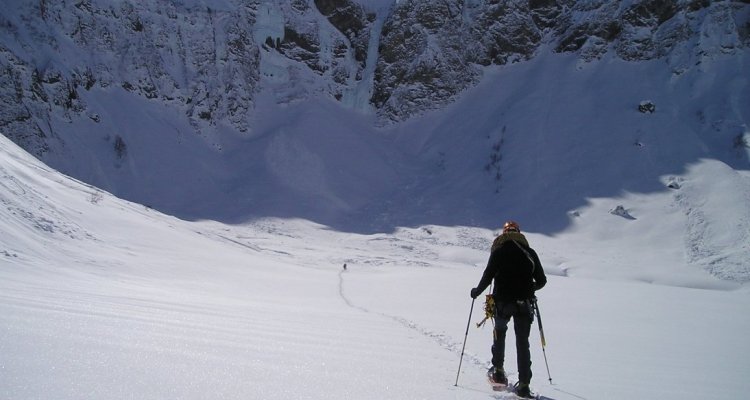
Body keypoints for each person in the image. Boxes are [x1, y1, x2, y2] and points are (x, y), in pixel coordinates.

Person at [470, 221, 547, 399]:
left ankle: (498, 371)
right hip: (524, 304)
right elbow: (542, 280)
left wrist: (476, 292)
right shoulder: (529, 253)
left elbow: (488, 275)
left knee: (500, 333)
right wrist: (529, 288)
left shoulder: (498, 251)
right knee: (522, 342)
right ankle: (525, 385)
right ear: (519, 233)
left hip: (502, 302)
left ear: (504, 233)